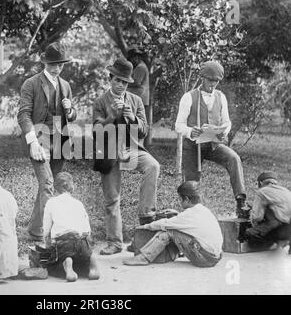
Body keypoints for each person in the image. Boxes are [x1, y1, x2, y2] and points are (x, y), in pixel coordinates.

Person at [93, 58, 160, 255]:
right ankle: (114, 242)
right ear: (110, 79)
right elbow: (97, 132)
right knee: (112, 199)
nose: (121, 85)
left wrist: (132, 119)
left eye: (124, 82)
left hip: (132, 149)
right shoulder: (100, 101)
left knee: (153, 166)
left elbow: (144, 131)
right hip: (109, 152)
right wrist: (111, 117)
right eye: (117, 80)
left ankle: (146, 218)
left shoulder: (136, 100)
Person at [17, 42, 77, 243]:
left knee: (49, 184)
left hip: (60, 139)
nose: (57, 68)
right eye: (53, 64)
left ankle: (35, 230)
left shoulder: (66, 85)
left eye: (60, 64)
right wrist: (32, 141)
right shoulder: (31, 83)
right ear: (45, 62)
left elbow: (73, 115)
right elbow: (23, 114)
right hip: (39, 137)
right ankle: (48, 235)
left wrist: (70, 110)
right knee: (48, 183)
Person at [175, 60, 249, 218]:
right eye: (210, 80)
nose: (213, 84)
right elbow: (178, 125)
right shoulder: (189, 97)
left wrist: (224, 131)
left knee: (234, 158)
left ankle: (241, 202)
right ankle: (192, 215)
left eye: (216, 81)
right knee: (192, 183)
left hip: (212, 145)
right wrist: (190, 131)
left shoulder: (220, 97)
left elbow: (226, 121)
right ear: (202, 77)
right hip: (193, 146)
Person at [123, 181, 223, 268]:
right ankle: (173, 254)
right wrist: (177, 214)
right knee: (179, 229)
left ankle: (144, 257)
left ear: (187, 199)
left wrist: (145, 226)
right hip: (216, 257)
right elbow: (191, 223)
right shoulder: (203, 210)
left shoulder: (188, 215)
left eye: (180, 200)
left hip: (204, 259)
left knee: (170, 231)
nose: (179, 203)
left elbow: (165, 224)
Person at [41, 172, 99, 282]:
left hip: (65, 242)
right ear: (71, 187)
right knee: (82, 261)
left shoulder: (51, 202)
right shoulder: (78, 203)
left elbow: (46, 229)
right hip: (82, 242)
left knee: (51, 266)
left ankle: (67, 263)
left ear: (55, 188)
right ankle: (90, 261)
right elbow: (87, 230)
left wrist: (46, 242)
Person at [245, 171, 291, 254]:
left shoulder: (262, 192)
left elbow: (257, 217)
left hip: (279, 230)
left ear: (260, 183)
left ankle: (274, 244)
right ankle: (290, 241)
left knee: (249, 233)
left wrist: (251, 214)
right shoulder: (286, 191)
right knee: (281, 219)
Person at [126, 47, 149, 115]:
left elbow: (136, 82)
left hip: (138, 99)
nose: (131, 61)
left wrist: (124, 83)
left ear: (136, 57)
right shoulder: (139, 67)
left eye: (131, 59)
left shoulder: (140, 67)